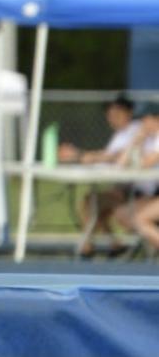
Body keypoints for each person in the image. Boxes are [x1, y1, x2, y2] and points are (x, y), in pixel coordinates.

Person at [56, 95, 138, 258]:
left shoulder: (134, 131)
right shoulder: (121, 134)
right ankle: (112, 243)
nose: (111, 119)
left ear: (128, 113)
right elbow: (107, 156)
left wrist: (79, 156)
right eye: (109, 115)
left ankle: (88, 246)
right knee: (92, 201)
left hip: (133, 192)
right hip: (124, 189)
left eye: (115, 115)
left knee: (90, 203)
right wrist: (80, 156)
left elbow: (113, 157)